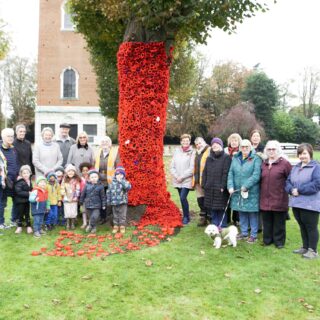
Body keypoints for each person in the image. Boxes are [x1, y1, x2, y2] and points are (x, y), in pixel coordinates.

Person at [285, 143, 320, 259]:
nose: (302, 156)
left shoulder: (316, 167)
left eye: (304, 153)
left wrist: (299, 190)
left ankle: (313, 250)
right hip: (296, 203)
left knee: (311, 226)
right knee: (302, 225)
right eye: (300, 154)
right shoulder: (295, 167)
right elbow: (288, 182)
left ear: (310, 153)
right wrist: (291, 190)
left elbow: (316, 185)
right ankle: (305, 247)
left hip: (310, 204)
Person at [227, 139, 262, 243]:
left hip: (251, 191)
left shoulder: (256, 158)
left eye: (247, 146)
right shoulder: (235, 158)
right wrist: (230, 186)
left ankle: (254, 235)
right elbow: (230, 173)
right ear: (240, 148)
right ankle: (244, 232)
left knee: (252, 213)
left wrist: (246, 185)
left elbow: (256, 175)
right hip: (238, 191)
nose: (245, 148)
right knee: (241, 211)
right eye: (242, 147)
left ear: (250, 147)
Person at [260, 140, 292, 248]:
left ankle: (279, 242)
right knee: (267, 221)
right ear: (266, 151)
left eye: (273, 149)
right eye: (269, 149)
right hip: (265, 198)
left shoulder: (285, 164)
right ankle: (267, 240)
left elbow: (290, 179)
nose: (271, 151)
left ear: (278, 150)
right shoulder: (263, 163)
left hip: (279, 198)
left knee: (279, 223)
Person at [202, 138, 231, 228]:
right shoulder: (209, 158)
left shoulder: (226, 157)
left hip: (220, 187)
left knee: (221, 207)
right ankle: (214, 225)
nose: (215, 145)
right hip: (209, 187)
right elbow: (205, 172)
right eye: (213, 144)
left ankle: (222, 226)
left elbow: (226, 173)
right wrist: (204, 184)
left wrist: (223, 185)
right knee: (212, 207)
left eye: (217, 144)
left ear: (221, 145)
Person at [170, 134, 195, 225]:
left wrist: (182, 177)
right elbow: (172, 166)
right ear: (181, 142)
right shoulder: (177, 151)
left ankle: (186, 217)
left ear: (189, 142)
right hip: (177, 179)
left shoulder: (192, 152)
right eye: (183, 141)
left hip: (186, 179)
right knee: (182, 199)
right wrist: (177, 176)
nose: (185, 142)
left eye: (187, 141)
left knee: (182, 197)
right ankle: (186, 215)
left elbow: (192, 168)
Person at [94, 136, 120, 224]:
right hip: (99, 181)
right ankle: (102, 217)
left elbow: (118, 167)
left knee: (110, 199)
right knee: (101, 199)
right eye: (103, 142)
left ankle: (111, 217)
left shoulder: (114, 153)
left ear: (110, 144)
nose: (104, 143)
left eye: (106, 142)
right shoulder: (97, 153)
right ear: (100, 144)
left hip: (110, 181)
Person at [0, 128, 20, 229]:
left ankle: (13, 220)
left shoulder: (13, 149)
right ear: (3, 137)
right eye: (8, 136)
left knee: (16, 200)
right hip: (3, 181)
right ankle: (1, 223)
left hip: (14, 180)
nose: (11, 138)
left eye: (12, 136)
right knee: (2, 202)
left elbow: (16, 163)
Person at [80, 169, 106, 234]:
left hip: (97, 205)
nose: (94, 178)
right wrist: (81, 201)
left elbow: (103, 196)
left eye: (95, 177)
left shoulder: (100, 186)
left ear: (98, 177)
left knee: (95, 217)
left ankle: (90, 225)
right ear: (89, 178)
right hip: (88, 204)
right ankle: (93, 227)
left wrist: (103, 204)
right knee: (91, 217)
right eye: (92, 177)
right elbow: (83, 194)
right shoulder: (86, 185)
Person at [107, 166, 131, 234]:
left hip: (122, 202)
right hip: (114, 202)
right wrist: (108, 201)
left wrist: (121, 181)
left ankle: (122, 226)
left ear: (123, 175)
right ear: (115, 175)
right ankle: (116, 226)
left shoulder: (125, 182)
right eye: (117, 174)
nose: (119, 176)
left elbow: (128, 187)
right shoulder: (111, 183)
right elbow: (109, 192)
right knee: (115, 215)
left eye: (121, 174)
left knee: (122, 215)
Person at [224, 133, 242, 225]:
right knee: (227, 198)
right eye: (232, 141)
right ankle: (227, 219)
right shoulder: (225, 151)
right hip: (226, 178)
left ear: (239, 142)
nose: (234, 142)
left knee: (236, 199)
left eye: (236, 141)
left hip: (237, 179)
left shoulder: (242, 152)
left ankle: (236, 219)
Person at [192, 137, 210, 227]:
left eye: (200, 143)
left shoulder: (209, 150)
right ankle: (203, 217)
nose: (199, 145)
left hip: (206, 180)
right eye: (197, 144)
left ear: (204, 142)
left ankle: (210, 217)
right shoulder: (196, 153)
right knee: (200, 199)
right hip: (197, 180)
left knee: (208, 199)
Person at [60, 164, 81, 230]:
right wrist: (64, 196)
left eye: (72, 171)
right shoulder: (64, 180)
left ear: (74, 172)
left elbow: (78, 189)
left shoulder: (76, 180)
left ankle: (72, 222)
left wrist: (75, 197)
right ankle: (68, 222)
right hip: (66, 198)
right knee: (67, 211)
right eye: (69, 171)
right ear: (66, 172)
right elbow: (62, 188)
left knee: (73, 211)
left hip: (74, 198)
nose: (70, 173)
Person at [14, 165, 33, 234]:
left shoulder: (29, 181)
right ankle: (19, 226)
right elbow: (18, 192)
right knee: (20, 214)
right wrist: (29, 193)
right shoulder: (19, 181)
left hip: (27, 201)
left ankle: (28, 226)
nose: (25, 174)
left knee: (27, 214)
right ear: (21, 174)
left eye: (27, 173)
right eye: (24, 173)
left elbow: (31, 189)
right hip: (20, 202)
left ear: (30, 173)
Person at [79, 162, 92, 229]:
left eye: (86, 170)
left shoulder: (90, 178)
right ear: (81, 171)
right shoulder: (80, 179)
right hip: (83, 196)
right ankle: (84, 223)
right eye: (83, 171)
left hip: (89, 197)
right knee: (84, 210)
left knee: (89, 210)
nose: (85, 172)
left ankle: (90, 223)